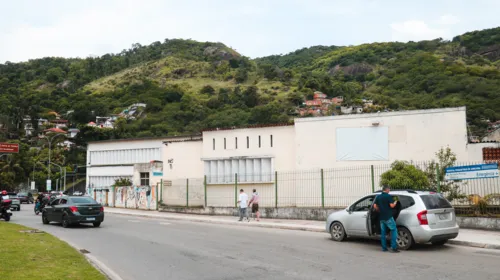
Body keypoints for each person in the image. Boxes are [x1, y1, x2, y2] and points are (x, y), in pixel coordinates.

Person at [373, 186, 399, 253]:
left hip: (381, 217)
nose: (389, 190)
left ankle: (384, 248)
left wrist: (379, 210)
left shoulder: (378, 196)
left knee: (383, 233)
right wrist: (395, 202)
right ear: (387, 190)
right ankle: (393, 247)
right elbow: (391, 206)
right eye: (389, 189)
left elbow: (375, 206)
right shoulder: (388, 196)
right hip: (388, 217)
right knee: (394, 230)